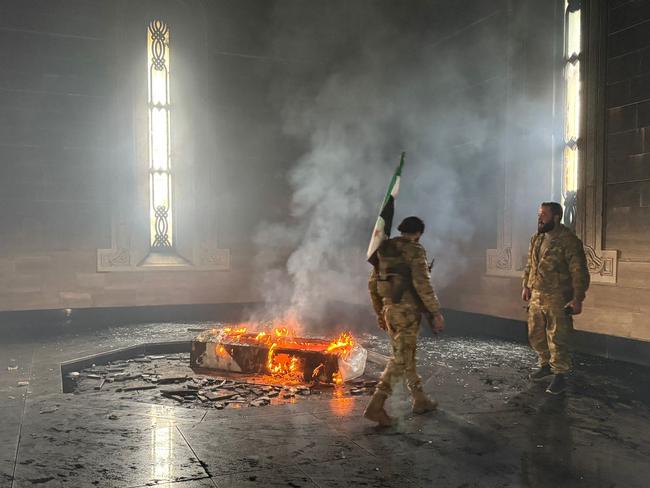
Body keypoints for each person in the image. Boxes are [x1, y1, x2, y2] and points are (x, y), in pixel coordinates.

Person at [364, 216, 445, 427]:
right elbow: (422, 284)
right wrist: (435, 312)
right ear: (418, 233)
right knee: (400, 358)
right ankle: (376, 404)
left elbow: (373, 284)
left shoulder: (384, 249)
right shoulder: (415, 251)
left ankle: (419, 399)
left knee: (406, 354)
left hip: (389, 310)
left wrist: (380, 312)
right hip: (407, 312)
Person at [522, 202, 590, 395]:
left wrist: (578, 298)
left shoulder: (568, 240)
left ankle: (560, 375)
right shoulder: (537, 238)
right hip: (536, 294)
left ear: (556, 217)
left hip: (558, 296)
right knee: (535, 333)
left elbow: (579, 272)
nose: (539, 218)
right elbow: (530, 264)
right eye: (539, 214)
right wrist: (526, 285)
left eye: (543, 214)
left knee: (558, 335)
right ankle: (545, 364)